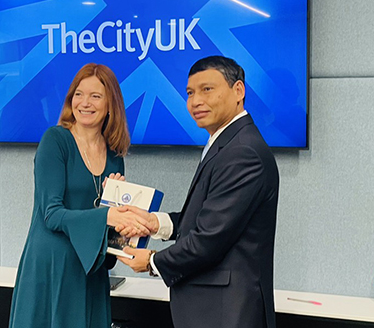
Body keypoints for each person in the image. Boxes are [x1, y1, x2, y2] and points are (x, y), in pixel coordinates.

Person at [118, 56, 280, 328]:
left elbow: (210, 239)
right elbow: (206, 219)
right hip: (213, 310)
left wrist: (152, 262)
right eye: (190, 93)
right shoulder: (227, 144)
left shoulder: (243, 152)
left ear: (238, 91)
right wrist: (155, 223)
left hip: (226, 313)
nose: (195, 102)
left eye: (207, 89)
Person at [9, 63, 151, 328]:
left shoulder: (114, 156)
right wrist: (107, 213)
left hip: (90, 266)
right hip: (53, 266)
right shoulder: (55, 140)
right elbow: (51, 214)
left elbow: (107, 222)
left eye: (95, 96)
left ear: (111, 104)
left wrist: (122, 218)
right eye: (78, 94)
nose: (85, 103)